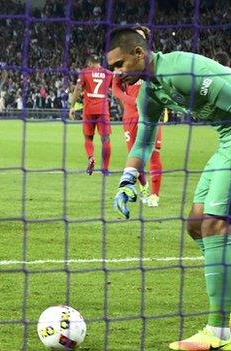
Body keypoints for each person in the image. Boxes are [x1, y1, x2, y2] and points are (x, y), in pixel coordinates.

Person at [109, 26, 231, 349]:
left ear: (139, 53)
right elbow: (143, 143)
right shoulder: (151, 92)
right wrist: (126, 182)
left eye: (119, 65)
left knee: (215, 223)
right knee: (196, 225)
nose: (116, 74)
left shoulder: (179, 70)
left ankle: (220, 333)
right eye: (112, 68)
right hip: (226, 139)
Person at [110, 26, 163, 208]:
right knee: (135, 155)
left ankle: (155, 195)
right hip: (130, 116)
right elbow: (115, 88)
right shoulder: (124, 62)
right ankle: (144, 188)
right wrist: (131, 101)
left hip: (151, 113)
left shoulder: (154, 62)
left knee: (154, 154)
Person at [69, 54, 113, 175]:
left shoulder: (85, 73)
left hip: (89, 110)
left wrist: (72, 106)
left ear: (89, 63)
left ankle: (91, 157)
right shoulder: (108, 73)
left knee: (88, 137)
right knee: (106, 139)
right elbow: (115, 89)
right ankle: (105, 168)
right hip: (103, 110)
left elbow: (78, 88)